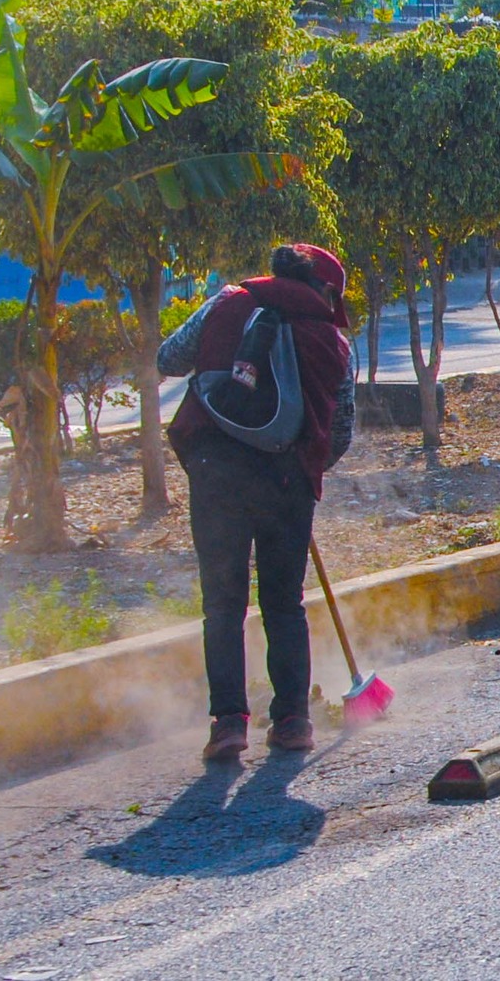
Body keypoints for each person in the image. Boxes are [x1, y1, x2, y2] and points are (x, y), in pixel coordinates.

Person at [158, 243, 358, 763]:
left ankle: (228, 725)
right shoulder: (334, 339)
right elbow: (340, 430)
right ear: (326, 291)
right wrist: (304, 462)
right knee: (282, 602)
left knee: (222, 603)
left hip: (215, 475)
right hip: (287, 481)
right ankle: (292, 720)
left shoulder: (225, 303)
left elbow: (169, 359)